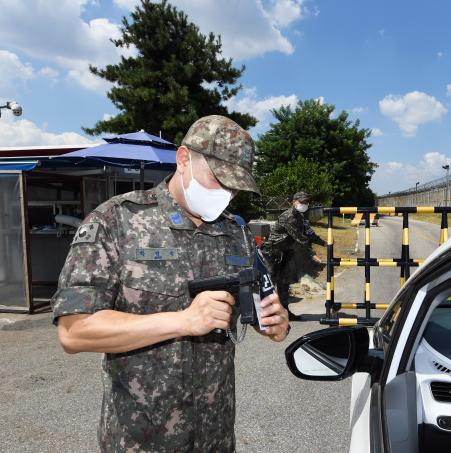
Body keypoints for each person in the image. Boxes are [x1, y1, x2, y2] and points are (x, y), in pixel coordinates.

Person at [51, 115, 289, 453]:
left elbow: (266, 299)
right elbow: (74, 332)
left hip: (216, 439)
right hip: (140, 442)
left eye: (234, 186)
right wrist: (183, 321)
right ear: (183, 159)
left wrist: (277, 323)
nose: (224, 192)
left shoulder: (236, 233)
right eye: (218, 178)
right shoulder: (116, 221)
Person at [262, 192, 325, 321]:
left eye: (306, 202)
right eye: (301, 202)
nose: (304, 205)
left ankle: (285, 312)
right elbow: (299, 238)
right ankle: (262, 313)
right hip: (273, 252)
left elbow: (308, 233)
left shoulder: (300, 216)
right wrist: (312, 255)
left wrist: (324, 243)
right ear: (294, 202)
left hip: (286, 251)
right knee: (269, 282)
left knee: (284, 282)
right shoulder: (289, 216)